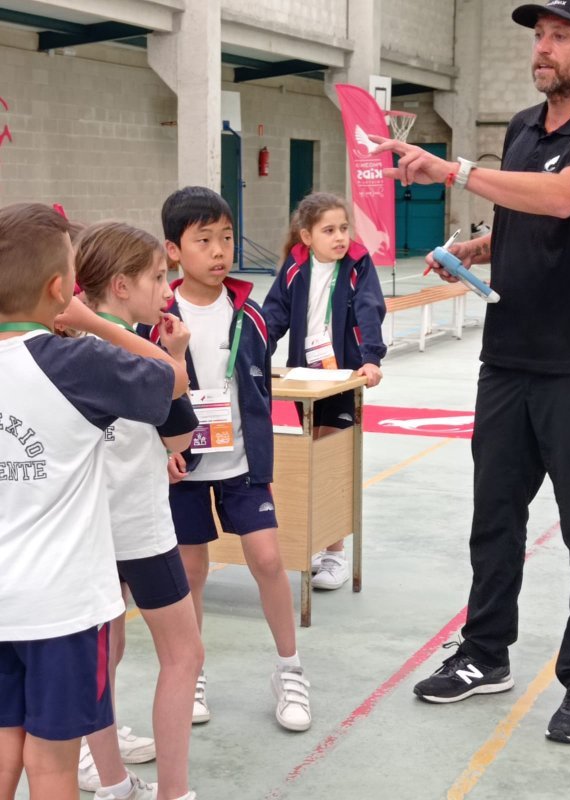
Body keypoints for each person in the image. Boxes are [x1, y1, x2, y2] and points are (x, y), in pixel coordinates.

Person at [370, 0, 570, 743]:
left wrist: (456, 170)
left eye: (560, 35)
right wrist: (481, 248)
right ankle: (485, 653)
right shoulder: (524, 128)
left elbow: (565, 198)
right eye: (539, 35)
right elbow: (525, 216)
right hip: (507, 359)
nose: (543, 47)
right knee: (494, 519)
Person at [0, 202, 189, 800]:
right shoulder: (76, 363)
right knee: (52, 763)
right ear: (60, 289)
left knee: (4, 748)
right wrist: (96, 323)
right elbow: (172, 379)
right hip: (60, 606)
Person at [141, 185, 312, 732]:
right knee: (191, 572)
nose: (219, 251)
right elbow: (144, 394)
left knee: (268, 560)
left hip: (242, 466)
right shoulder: (155, 317)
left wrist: (262, 463)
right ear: (173, 251)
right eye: (204, 240)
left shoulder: (251, 315)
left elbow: (259, 391)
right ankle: (192, 674)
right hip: (183, 470)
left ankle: (290, 669)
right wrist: (160, 450)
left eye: (227, 238)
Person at [75, 222, 202, 800]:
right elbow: (181, 436)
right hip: (139, 531)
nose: (167, 289)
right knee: (183, 655)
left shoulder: (63, 351)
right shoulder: (137, 359)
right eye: (156, 277)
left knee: (104, 656)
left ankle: (111, 783)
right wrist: (174, 354)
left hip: (86, 533)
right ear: (121, 286)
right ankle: (174, 792)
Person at [262, 192, 386, 590]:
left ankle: (335, 554)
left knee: (332, 461)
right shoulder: (295, 267)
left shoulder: (358, 264)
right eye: (329, 230)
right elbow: (273, 315)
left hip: (344, 376)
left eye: (344, 228)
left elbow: (369, 309)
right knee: (312, 458)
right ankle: (317, 542)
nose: (340, 237)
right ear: (307, 236)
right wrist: (254, 354)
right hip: (306, 379)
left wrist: (371, 358)